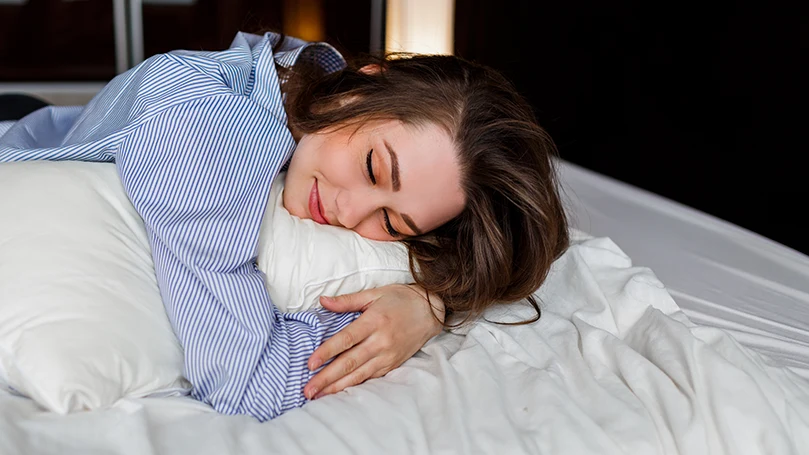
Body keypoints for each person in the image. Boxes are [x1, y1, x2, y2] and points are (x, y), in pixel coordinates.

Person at [0, 31, 569, 421]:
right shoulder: (204, 139)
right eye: (374, 167)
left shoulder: (305, 86)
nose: (349, 211)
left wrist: (433, 300)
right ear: (358, 86)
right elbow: (246, 384)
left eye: (392, 221)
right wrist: (420, 316)